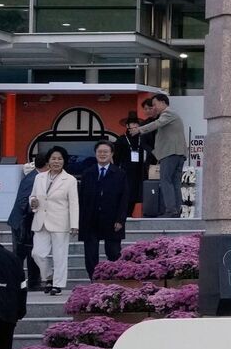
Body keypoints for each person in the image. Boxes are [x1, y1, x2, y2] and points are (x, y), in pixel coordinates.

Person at [28, 146, 79, 296]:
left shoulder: (70, 180)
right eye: (53, 158)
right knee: (37, 253)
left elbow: (74, 203)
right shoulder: (39, 177)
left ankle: (58, 284)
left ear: (64, 161)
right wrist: (33, 203)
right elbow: (32, 196)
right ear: (48, 160)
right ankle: (48, 276)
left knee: (60, 255)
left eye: (59, 159)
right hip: (40, 220)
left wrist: (74, 224)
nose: (56, 161)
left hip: (60, 222)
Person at [78, 142, 131, 278]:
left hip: (112, 219)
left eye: (105, 152)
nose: (102, 154)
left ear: (111, 154)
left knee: (113, 252)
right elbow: (81, 198)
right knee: (90, 253)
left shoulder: (120, 173)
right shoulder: (88, 173)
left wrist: (120, 219)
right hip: (90, 219)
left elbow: (124, 199)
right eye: (99, 152)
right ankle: (94, 279)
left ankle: (113, 279)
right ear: (95, 153)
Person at [131, 93, 188, 218]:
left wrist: (139, 129)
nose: (153, 107)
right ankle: (176, 210)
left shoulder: (168, 114)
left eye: (155, 104)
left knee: (166, 181)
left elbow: (156, 124)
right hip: (177, 154)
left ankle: (170, 210)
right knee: (175, 182)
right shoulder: (172, 115)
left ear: (163, 102)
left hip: (170, 153)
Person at [5, 156, 44, 290]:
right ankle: (20, 282)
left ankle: (32, 282)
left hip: (27, 221)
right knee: (22, 254)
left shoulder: (36, 176)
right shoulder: (32, 178)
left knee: (30, 253)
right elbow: (23, 202)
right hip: (22, 222)